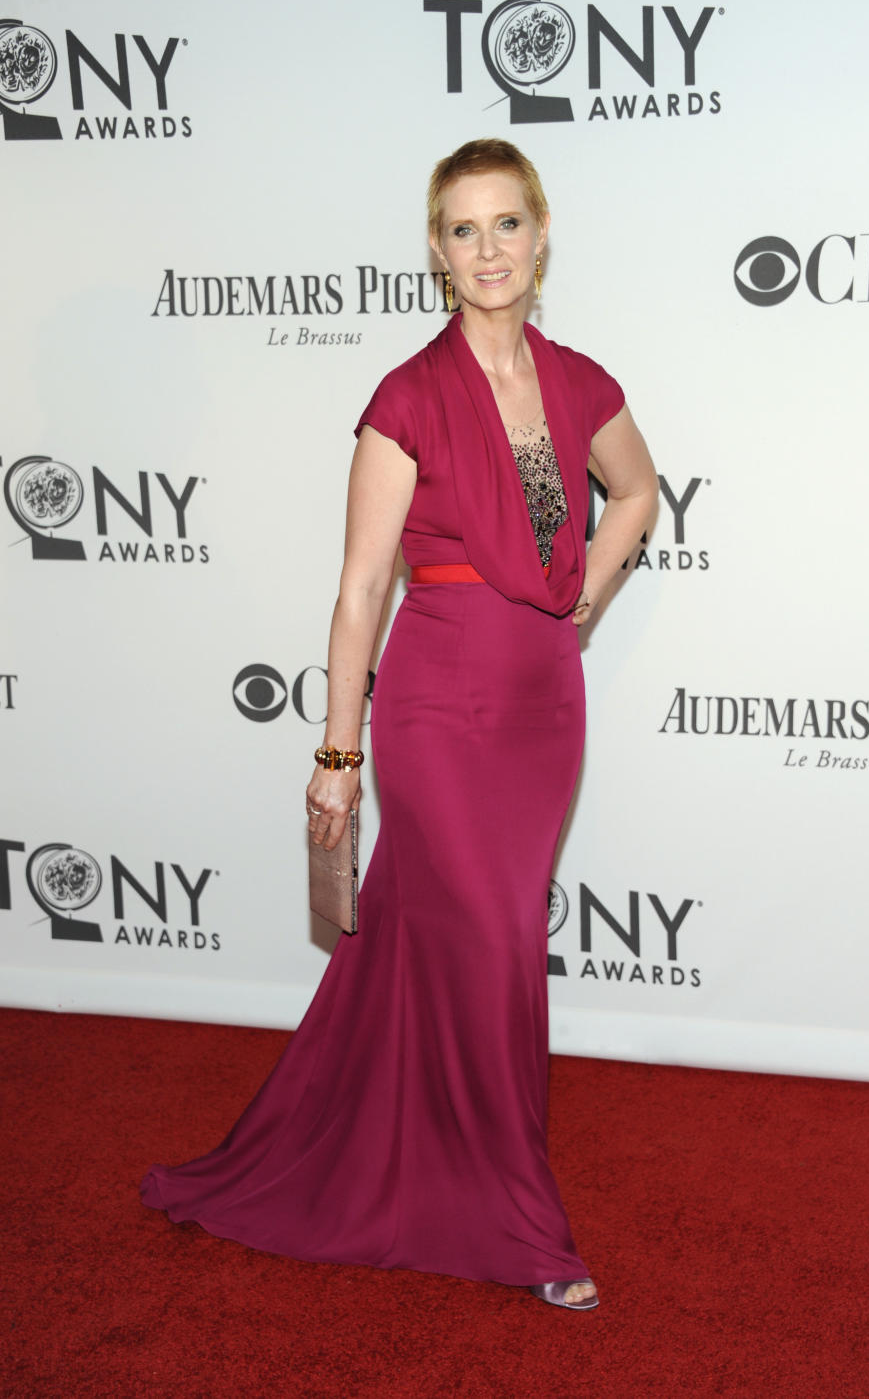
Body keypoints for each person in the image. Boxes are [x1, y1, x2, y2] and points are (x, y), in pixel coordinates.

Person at [141, 138, 659, 1312]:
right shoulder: (407, 398)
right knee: (494, 945)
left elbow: (637, 488)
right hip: (438, 700)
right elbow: (360, 590)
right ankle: (523, 1220)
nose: (488, 251)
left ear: (540, 236)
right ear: (437, 250)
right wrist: (338, 751)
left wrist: (590, 592)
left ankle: (402, 1147)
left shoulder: (578, 382)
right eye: (464, 230)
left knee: (469, 938)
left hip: (541, 702)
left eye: (507, 225)